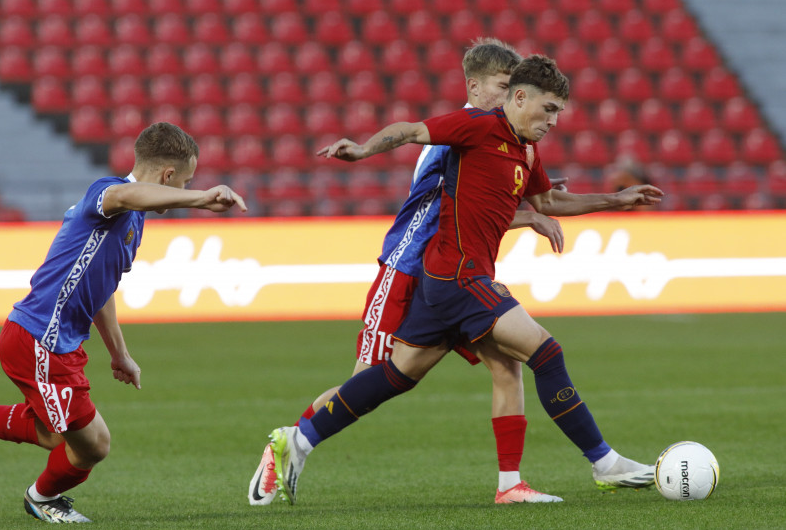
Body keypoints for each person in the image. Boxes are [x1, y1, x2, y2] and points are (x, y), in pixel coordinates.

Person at [267, 55, 664, 505]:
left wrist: (617, 199)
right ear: (519, 97)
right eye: (548, 109)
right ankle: (603, 462)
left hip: (447, 281)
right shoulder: (477, 126)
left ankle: (297, 439)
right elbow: (412, 130)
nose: (554, 121)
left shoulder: (526, 149)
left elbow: (549, 200)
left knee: (395, 377)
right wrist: (362, 150)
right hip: (458, 275)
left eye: (558, 112)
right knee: (546, 353)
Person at [0, 122, 246, 523]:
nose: (181, 193)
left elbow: (100, 289)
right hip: (38, 340)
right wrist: (202, 198)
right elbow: (125, 193)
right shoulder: (107, 193)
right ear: (168, 177)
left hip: (58, 344)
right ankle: (41, 499)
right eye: (184, 181)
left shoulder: (134, 223)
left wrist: (120, 354)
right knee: (91, 445)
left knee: (58, 433)